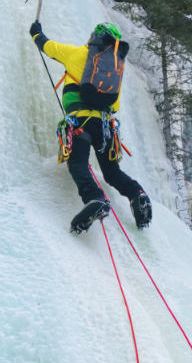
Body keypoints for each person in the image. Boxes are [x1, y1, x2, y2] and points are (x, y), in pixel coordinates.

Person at [30, 19, 153, 233]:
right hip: (105, 127)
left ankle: (95, 199)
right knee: (112, 172)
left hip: (80, 122)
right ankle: (137, 194)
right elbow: (114, 106)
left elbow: (48, 47)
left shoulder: (76, 53)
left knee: (78, 163)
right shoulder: (115, 69)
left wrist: (36, 33)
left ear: (94, 38)